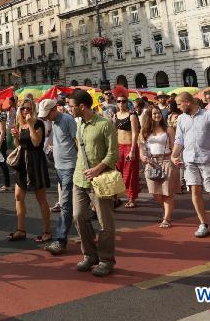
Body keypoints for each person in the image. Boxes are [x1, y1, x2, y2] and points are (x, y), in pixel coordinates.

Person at [70, 88, 118, 277]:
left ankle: (106, 259)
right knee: (78, 216)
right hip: (79, 179)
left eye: (72, 106)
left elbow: (113, 154)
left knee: (105, 223)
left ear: (82, 106)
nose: (69, 108)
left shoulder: (105, 124)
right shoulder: (78, 124)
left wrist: (97, 168)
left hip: (100, 180)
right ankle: (90, 255)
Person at [171, 91, 210, 238]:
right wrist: (174, 155)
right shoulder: (181, 119)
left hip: (208, 158)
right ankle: (204, 224)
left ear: (187, 102)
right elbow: (179, 140)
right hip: (189, 160)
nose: (177, 107)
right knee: (194, 190)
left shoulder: (209, 115)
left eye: (178, 103)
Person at [7, 98, 51, 243]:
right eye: (23, 109)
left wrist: (31, 125)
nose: (25, 111)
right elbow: (18, 145)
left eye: (28, 108)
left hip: (35, 161)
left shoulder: (38, 123)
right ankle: (21, 230)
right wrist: (15, 137)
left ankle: (47, 231)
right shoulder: (20, 124)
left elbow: (36, 142)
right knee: (18, 196)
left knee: (41, 198)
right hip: (22, 163)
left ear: (33, 109)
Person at [38, 98, 77, 255]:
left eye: (47, 114)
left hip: (70, 166)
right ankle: (87, 232)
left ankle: (61, 240)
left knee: (66, 204)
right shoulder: (53, 121)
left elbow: (77, 142)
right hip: (59, 167)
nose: (46, 117)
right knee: (73, 203)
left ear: (54, 109)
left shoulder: (67, 119)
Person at [138, 106, 179, 228]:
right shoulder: (144, 131)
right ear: (149, 116)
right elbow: (142, 148)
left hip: (166, 160)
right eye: (154, 113)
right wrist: (142, 157)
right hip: (151, 163)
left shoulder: (168, 129)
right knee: (155, 193)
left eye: (159, 113)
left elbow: (174, 147)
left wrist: (175, 159)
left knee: (167, 193)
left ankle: (166, 217)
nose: (157, 115)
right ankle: (167, 209)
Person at [113, 96, 140, 208]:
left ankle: (131, 198)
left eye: (123, 101)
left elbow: (135, 133)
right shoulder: (115, 116)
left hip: (129, 146)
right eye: (119, 101)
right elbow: (114, 132)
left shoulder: (132, 115)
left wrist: (133, 150)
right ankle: (115, 197)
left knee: (130, 174)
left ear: (127, 102)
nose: (121, 103)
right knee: (116, 173)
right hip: (118, 146)